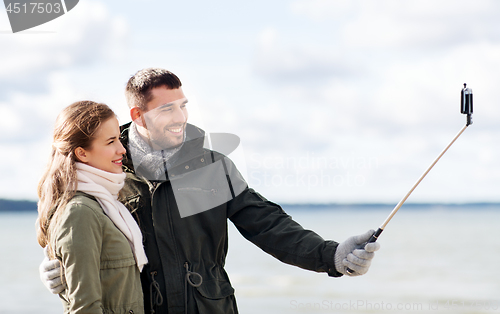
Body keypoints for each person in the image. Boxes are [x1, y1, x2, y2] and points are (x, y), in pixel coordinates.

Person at [40, 69, 380, 314]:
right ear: (138, 115)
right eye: (166, 109)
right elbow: (71, 224)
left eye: (183, 105)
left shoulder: (209, 167)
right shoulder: (109, 168)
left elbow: (267, 223)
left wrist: (331, 256)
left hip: (210, 307)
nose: (180, 116)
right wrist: (58, 267)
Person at [36, 101, 148, 313]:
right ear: (82, 153)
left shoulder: (106, 202)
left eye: (120, 139)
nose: (122, 149)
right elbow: (84, 308)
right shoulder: (80, 212)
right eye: (110, 142)